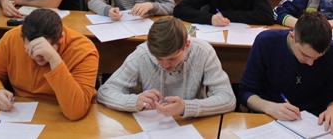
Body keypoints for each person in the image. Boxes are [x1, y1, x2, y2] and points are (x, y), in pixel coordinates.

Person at [97, 17, 236, 117]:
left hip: (190, 123)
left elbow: (228, 98)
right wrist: (135, 101)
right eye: (159, 58)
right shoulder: (142, 54)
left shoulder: (203, 52)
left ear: (186, 45)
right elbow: (105, 92)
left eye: (172, 59)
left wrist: (186, 107)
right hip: (151, 124)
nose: (165, 64)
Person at [0, 9, 99, 121]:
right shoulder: (12, 38)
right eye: (30, 48)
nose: (37, 55)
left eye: (46, 49)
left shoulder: (84, 51)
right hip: (21, 113)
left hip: (63, 115)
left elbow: (75, 111)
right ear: (23, 37)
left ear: (61, 38)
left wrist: (54, 60)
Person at [238, 12, 333, 134]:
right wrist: (268, 107)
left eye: (317, 58)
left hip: (315, 123)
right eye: (305, 55)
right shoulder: (265, 42)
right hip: (270, 119)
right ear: (292, 37)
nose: (310, 63)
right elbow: (245, 91)